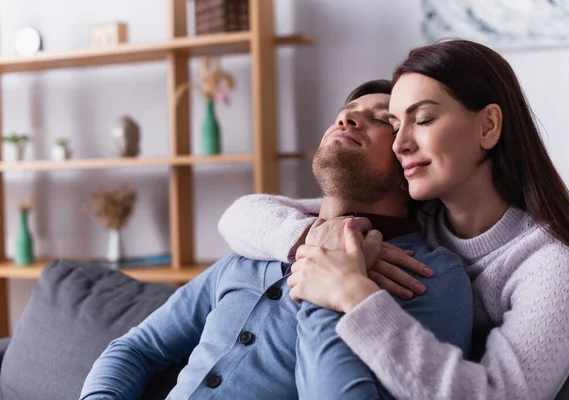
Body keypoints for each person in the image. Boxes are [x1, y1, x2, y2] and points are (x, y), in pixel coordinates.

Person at [218, 40, 569, 400]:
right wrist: (313, 240)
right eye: (396, 125)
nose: (399, 143)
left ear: (488, 126)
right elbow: (245, 215)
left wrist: (353, 293)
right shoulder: (418, 216)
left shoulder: (552, 268)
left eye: (424, 119)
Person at [79, 80, 473, 400]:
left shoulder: (430, 278)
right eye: (344, 113)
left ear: (408, 156)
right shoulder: (254, 251)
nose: (348, 118)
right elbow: (134, 349)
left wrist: (330, 287)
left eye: (380, 119)